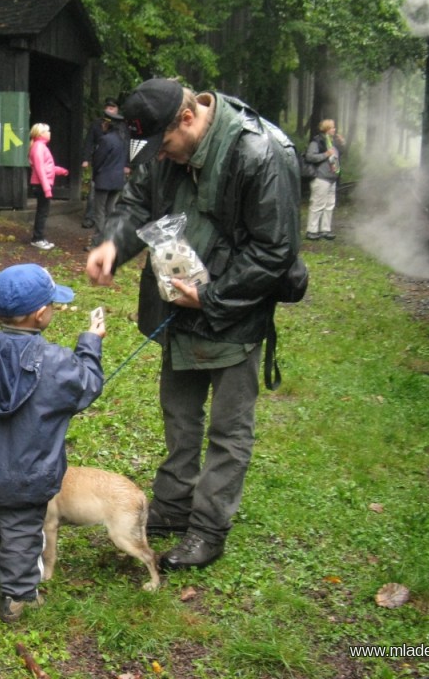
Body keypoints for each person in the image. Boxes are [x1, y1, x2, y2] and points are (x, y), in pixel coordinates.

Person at [86, 78, 301, 572]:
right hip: (176, 309)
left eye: (164, 146)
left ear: (188, 119)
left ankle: (207, 529)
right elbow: (138, 203)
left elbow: (275, 251)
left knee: (229, 429)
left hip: (234, 313)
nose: (158, 158)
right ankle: (174, 505)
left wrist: (211, 296)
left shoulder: (258, 155)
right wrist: (114, 244)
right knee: (179, 414)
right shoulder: (162, 147)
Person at [0, 263, 105, 623]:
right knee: (21, 531)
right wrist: (91, 343)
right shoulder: (57, 362)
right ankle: (17, 597)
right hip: (29, 476)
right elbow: (88, 385)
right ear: (40, 314)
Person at [88, 110, 129, 250]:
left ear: (107, 124)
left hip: (104, 179)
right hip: (117, 180)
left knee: (99, 212)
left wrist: (95, 174)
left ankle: (98, 243)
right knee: (111, 211)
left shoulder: (106, 140)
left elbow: (98, 160)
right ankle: (111, 240)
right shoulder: (123, 140)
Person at [27, 123, 69, 250]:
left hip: (41, 184)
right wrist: (47, 188)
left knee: (43, 211)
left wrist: (59, 170)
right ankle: (37, 238)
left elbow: (46, 167)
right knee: (42, 212)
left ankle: (39, 237)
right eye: (47, 131)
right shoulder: (39, 147)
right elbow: (40, 169)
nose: (50, 133)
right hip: (41, 184)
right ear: (40, 133)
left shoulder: (40, 146)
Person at [81, 97, 120, 229]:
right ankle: (89, 218)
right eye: (108, 107)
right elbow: (89, 141)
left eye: (113, 107)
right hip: (101, 165)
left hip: (112, 167)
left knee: (108, 204)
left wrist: (127, 165)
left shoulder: (121, 127)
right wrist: (86, 158)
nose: (110, 110)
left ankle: (103, 234)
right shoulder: (96, 124)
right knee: (95, 196)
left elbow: (126, 147)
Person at [303, 118, 344, 241]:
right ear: (326, 129)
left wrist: (342, 144)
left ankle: (325, 229)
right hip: (320, 177)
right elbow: (310, 157)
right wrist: (325, 154)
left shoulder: (333, 141)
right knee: (317, 204)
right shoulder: (317, 141)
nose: (334, 129)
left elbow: (338, 156)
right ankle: (312, 230)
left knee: (329, 205)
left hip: (332, 178)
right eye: (332, 127)